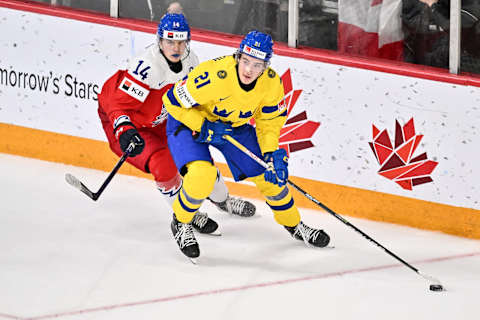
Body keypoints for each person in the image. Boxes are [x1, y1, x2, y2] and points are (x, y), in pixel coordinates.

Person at [163, 30, 331, 259]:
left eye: (257, 65)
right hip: (190, 122)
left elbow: (268, 123)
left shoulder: (271, 84)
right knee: (202, 176)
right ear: (237, 57)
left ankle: (295, 225)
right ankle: (181, 223)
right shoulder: (213, 75)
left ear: (266, 66)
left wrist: (271, 152)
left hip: (233, 126)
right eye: (245, 61)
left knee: (270, 175)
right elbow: (171, 101)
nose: (249, 70)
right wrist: (203, 125)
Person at [97, 13, 256, 237]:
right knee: (163, 163)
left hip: (167, 119)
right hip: (134, 124)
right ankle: (186, 214)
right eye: (170, 41)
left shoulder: (192, 62)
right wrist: (124, 129)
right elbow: (117, 104)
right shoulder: (147, 67)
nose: (176, 47)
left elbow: (194, 98)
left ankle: (223, 200)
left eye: (181, 41)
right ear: (159, 41)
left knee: (199, 162)